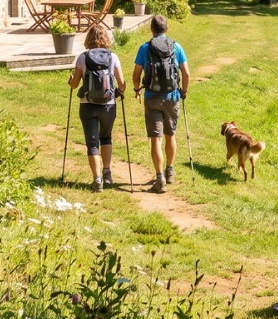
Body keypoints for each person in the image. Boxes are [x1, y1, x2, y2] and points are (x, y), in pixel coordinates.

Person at [132, 14, 190, 194]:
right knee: (170, 135)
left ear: (151, 29)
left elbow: (136, 76)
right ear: (167, 29)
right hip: (172, 96)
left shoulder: (145, 48)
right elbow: (186, 74)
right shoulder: (176, 46)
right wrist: (184, 92)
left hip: (151, 97)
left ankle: (159, 179)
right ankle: (170, 171)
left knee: (155, 139)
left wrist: (137, 90)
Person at [67, 24, 126, 193]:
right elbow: (121, 83)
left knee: (92, 143)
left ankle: (97, 180)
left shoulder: (82, 58)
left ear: (88, 39)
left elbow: (75, 84)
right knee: (106, 137)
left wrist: (70, 80)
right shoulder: (113, 57)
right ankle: (107, 173)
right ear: (105, 38)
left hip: (87, 105)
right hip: (108, 104)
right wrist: (121, 92)